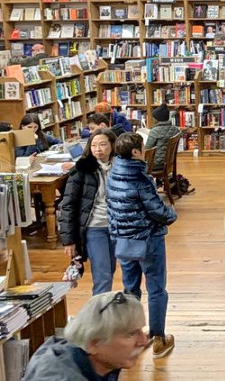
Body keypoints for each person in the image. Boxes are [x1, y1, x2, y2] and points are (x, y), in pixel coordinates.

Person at [106, 133, 177, 359]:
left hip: (124, 240)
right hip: (147, 239)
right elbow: (156, 210)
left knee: (130, 289)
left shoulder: (113, 173)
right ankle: (158, 338)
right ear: (136, 152)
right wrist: (170, 215)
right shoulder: (140, 178)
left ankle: (132, 336)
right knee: (156, 288)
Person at [22, 291, 148, 381]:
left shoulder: (100, 363)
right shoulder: (58, 376)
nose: (143, 341)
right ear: (93, 344)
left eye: (141, 330)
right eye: (131, 334)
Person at [58, 129, 119, 296]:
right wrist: (68, 240)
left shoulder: (120, 167)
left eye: (103, 144)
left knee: (110, 269)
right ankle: (98, 317)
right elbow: (68, 205)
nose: (98, 148)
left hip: (116, 227)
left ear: (112, 146)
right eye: (93, 145)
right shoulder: (81, 170)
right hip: (94, 228)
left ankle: (103, 310)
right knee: (103, 275)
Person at [144, 104, 180, 174]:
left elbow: (147, 149)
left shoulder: (155, 131)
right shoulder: (175, 129)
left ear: (157, 119)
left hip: (156, 164)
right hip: (169, 161)